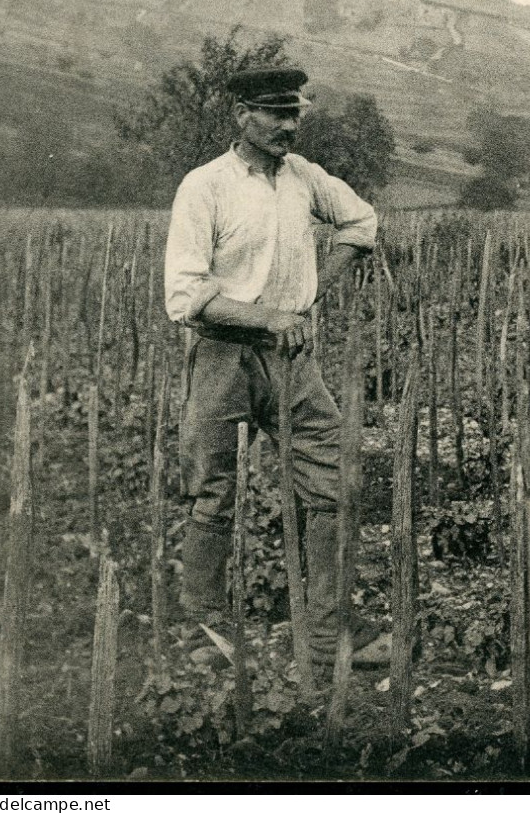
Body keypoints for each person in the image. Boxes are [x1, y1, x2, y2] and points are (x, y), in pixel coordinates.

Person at [164, 66, 392, 668]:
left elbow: (361, 222)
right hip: (223, 354)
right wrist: (267, 316)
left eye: (294, 114)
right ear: (242, 115)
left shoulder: (304, 177)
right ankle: (203, 633)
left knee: (333, 478)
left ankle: (327, 633)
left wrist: (312, 296)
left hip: (291, 360)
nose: (288, 126)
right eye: (275, 113)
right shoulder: (205, 185)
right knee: (212, 491)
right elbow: (186, 295)